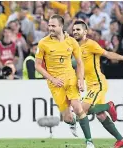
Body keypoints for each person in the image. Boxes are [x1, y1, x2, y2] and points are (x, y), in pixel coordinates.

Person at [72, 20, 123, 148]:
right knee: (100, 115)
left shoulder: (90, 44)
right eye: (73, 30)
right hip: (90, 84)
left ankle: (107, 107)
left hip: (98, 83)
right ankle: (120, 139)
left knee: (81, 110)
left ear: (85, 31)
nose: (75, 32)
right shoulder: (75, 47)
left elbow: (107, 54)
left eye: (78, 29)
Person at [34, 14, 93, 148]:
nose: (50, 28)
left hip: (70, 78)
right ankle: (72, 123)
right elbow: (37, 65)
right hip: (55, 83)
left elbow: (79, 63)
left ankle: (89, 141)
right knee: (67, 118)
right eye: (49, 25)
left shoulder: (71, 41)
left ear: (61, 26)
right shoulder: (43, 43)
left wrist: (80, 80)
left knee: (78, 108)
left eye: (53, 26)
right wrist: (52, 79)